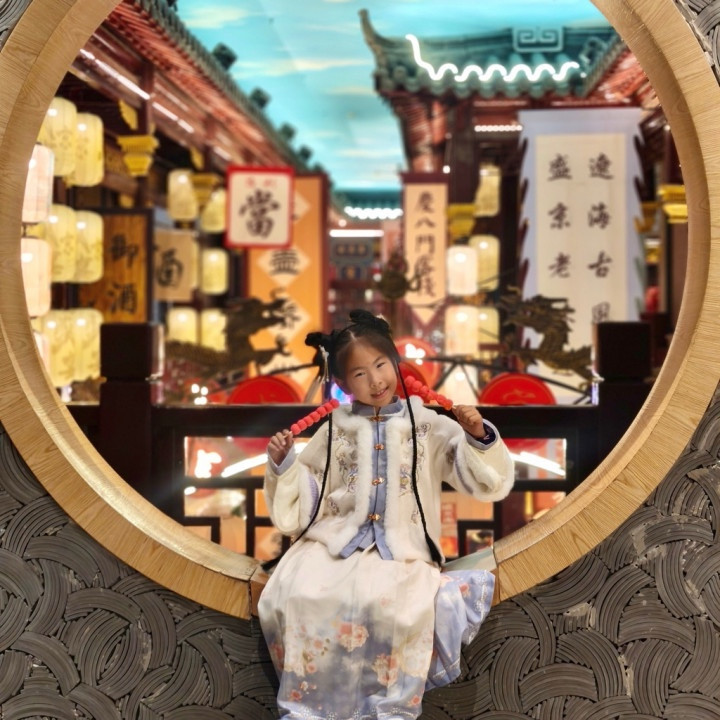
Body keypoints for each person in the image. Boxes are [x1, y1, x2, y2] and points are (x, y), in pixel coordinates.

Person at [258, 309, 514, 720]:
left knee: (398, 609)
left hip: (403, 552)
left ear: (395, 362)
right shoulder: (334, 428)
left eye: (380, 365)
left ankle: (386, 711)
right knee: (304, 596)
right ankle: (310, 710)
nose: (375, 381)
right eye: (359, 374)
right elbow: (306, 497)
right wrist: (283, 463)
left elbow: (482, 481)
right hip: (332, 547)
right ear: (343, 384)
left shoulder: (427, 424)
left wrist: (477, 436)